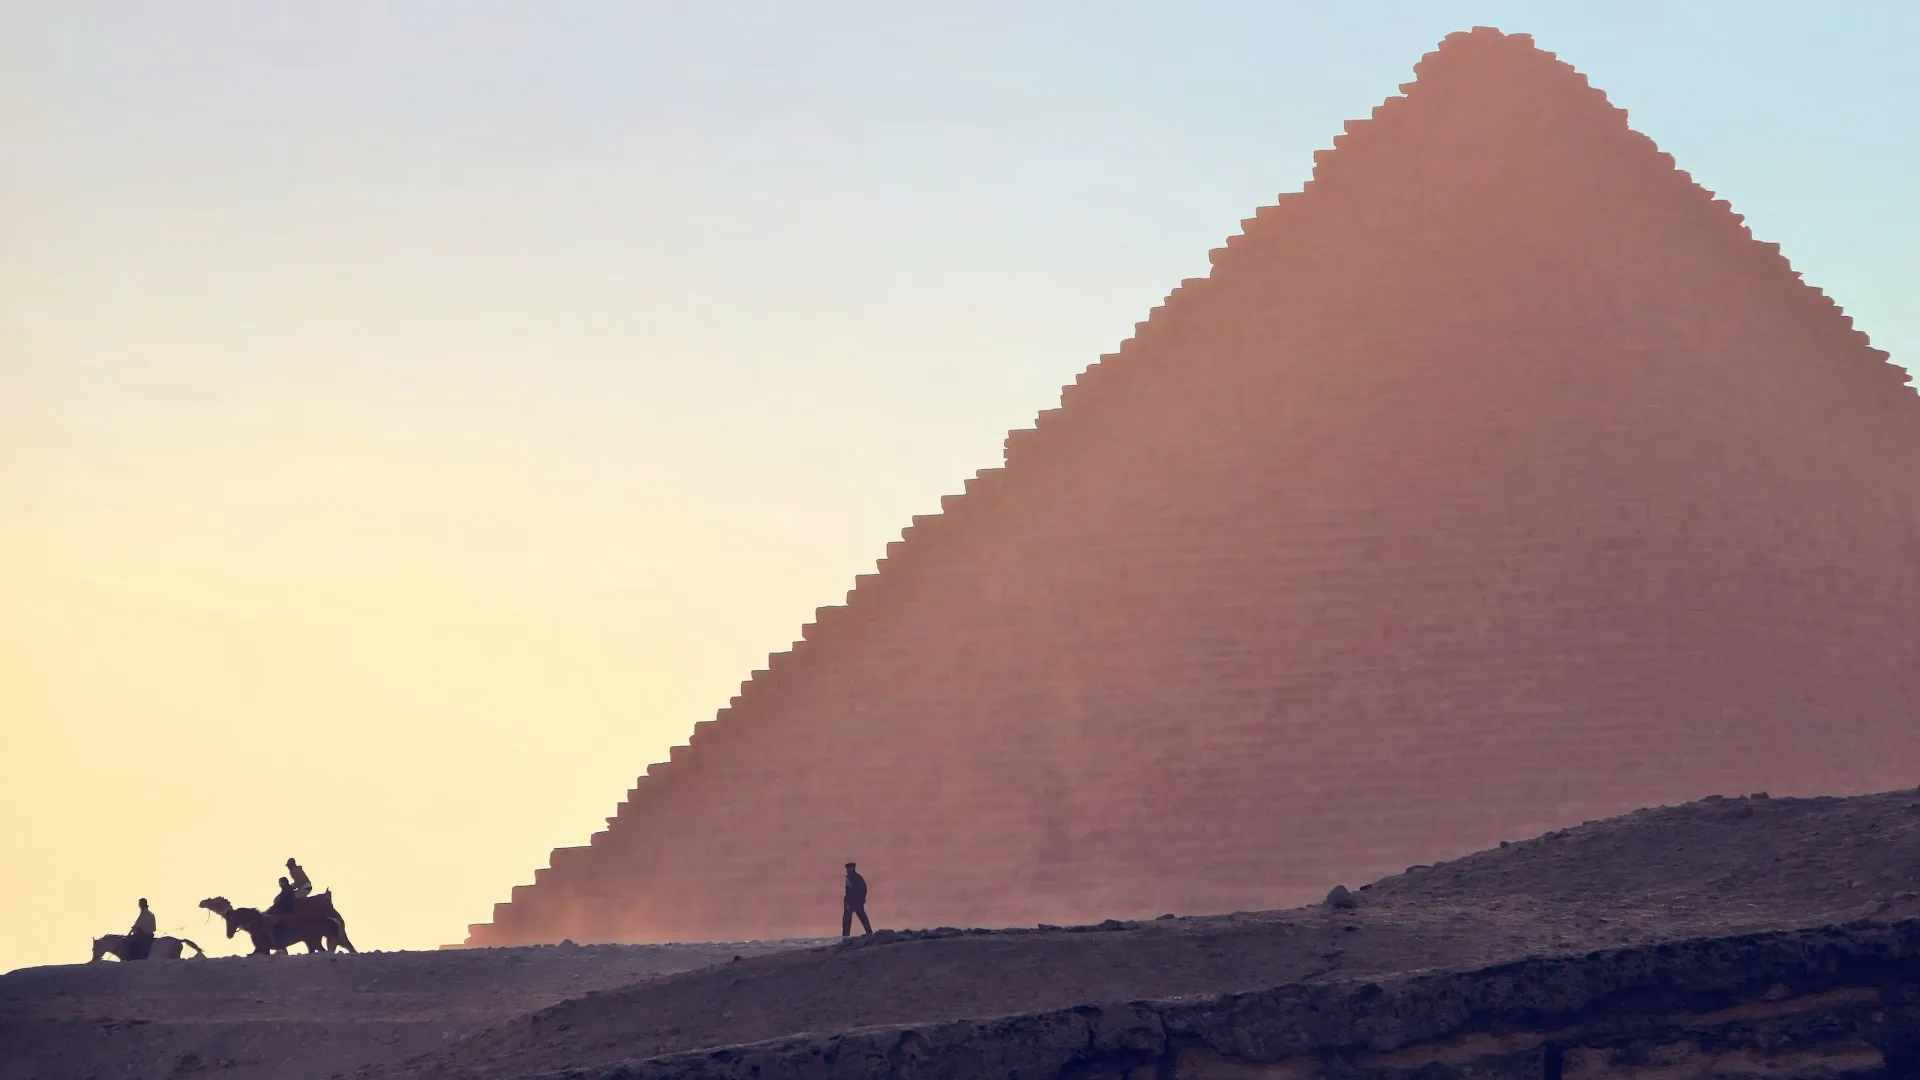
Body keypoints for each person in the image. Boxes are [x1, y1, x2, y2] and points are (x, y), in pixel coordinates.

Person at [841, 862, 872, 937]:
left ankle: (846, 936)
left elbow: (850, 891)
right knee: (861, 917)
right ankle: (869, 932)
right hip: (855, 902)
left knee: (848, 919)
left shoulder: (853, 878)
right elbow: (863, 890)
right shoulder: (856, 877)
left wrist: (850, 901)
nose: (847, 870)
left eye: (848, 868)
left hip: (853, 902)